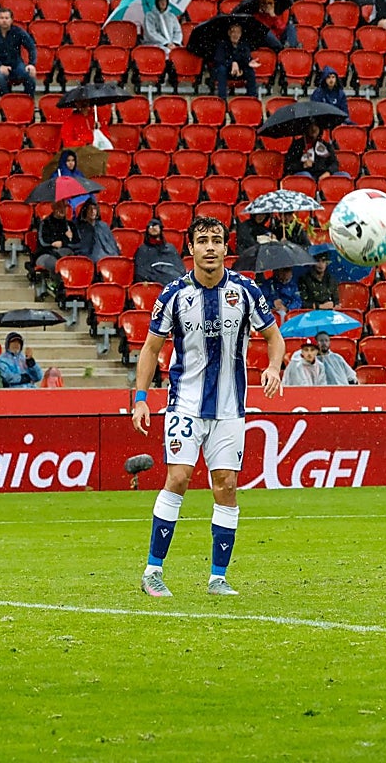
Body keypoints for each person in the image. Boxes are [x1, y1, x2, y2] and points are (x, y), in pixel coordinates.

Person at [134, 216, 285, 598]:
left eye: (217, 240)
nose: (211, 247)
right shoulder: (173, 295)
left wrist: (272, 366)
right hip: (184, 403)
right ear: (191, 249)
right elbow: (151, 348)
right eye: (203, 241)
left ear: (225, 248)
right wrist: (140, 398)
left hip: (230, 407)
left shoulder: (245, 291)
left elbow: (274, 337)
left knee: (227, 486)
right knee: (179, 478)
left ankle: (217, 577)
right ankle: (153, 571)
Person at [0, 8, 38, 95]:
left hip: (16, 64)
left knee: (29, 76)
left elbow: (31, 47)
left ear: (11, 20)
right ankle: (7, 101)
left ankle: (28, 101)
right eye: (1, 18)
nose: (4, 20)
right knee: (0, 77)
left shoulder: (18, 32)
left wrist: (31, 64)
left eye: (6, 18)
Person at [212, 22, 261, 99]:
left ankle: (252, 97)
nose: (236, 35)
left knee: (250, 70)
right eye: (233, 32)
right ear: (229, 33)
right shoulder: (222, 44)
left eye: (238, 32)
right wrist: (232, 63)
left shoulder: (244, 44)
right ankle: (222, 99)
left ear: (241, 34)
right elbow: (219, 60)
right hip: (226, 71)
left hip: (240, 72)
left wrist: (249, 62)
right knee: (221, 69)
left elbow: (246, 58)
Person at [134, 217, 186, 284]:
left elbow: (180, 268)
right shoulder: (143, 249)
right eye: (150, 226)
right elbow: (141, 273)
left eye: (156, 225)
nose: (153, 227)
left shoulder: (171, 248)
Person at [35, 199, 77, 275]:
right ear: (53, 208)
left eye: (64, 207)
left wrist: (68, 239)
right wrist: (54, 243)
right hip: (46, 253)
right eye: (59, 207)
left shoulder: (70, 225)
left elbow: (77, 242)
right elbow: (43, 242)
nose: (62, 210)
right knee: (54, 264)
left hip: (65, 253)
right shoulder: (44, 223)